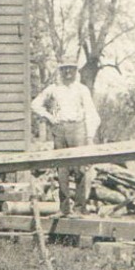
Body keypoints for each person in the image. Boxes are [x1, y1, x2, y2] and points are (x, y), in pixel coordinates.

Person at [30, 58, 101, 215]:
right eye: (65, 69)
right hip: (60, 129)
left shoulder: (82, 89)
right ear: (60, 71)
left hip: (78, 129)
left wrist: (89, 137)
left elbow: (91, 113)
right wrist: (49, 117)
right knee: (62, 169)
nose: (68, 72)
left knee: (80, 169)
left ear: (76, 71)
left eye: (71, 69)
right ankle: (64, 209)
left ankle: (80, 208)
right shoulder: (54, 89)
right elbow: (35, 104)